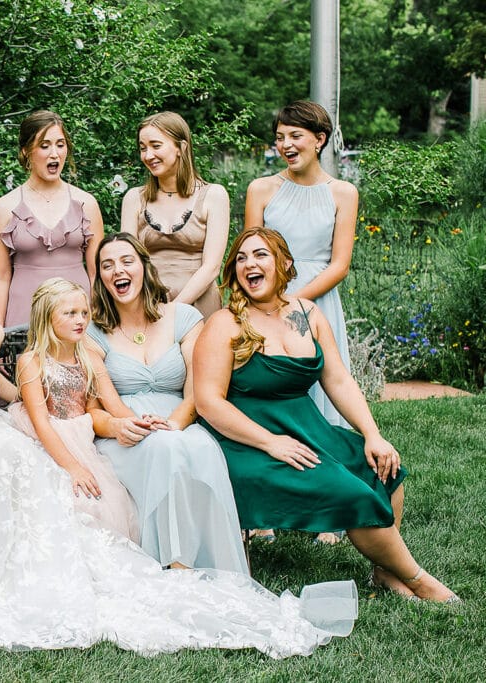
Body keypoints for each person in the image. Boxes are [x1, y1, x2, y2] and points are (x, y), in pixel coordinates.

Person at [0, 261, 356, 658]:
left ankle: (176, 561)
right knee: (25, 477)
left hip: (43, 435)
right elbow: (34, 414)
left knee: (74, 495)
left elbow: (89, 403)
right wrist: (66, 462)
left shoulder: (1, 341)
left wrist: (133, 422)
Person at [194, 227, 460, 603]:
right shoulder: (226, 322)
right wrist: (271, 443)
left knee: (387, 469)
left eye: (260, 255)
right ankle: (417, 578)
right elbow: (208, 402)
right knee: (350, 493)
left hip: (306, 427)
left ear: (285, 264)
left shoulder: (308, 312)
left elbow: (337, 378)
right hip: (246, 438)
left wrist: (372, 433)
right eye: (241, 258)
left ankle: (385, 571)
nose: (249, 264)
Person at [87, 233, 249, 573]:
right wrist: (130, 424)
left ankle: (217, 564)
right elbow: (101, 402)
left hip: (181, 419)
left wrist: (176, 422)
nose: (118, 269)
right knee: (166, 449)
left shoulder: (184, 317)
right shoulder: (92, 331)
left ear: (145, 267)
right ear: (100, 277)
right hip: (127, 433)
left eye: (126, 261)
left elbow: (197, 389)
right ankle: (178, 567)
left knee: (201, 448)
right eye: (107, 265)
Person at [244, 101, 357, 429]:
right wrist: (268, 302)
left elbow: (340, 265)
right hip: (265, 294)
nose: (286, 146)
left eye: (295, 136)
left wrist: (297, 303)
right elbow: (249, 252)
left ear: (319, 139)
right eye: (280, 138)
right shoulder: (261, 189)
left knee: (323, 378)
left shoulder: (343, 193)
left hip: (317, 298)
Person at [7, 277, 137, 538]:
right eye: (70, 314)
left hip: (82, 438)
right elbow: (41, 422)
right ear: (47, 317)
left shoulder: (89, 357)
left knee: (108, 499)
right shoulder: (32, 361)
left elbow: (107, 406)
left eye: (84, 313)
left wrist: (136, 422)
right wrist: (73, 467)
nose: (81, 320)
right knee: (70, 500)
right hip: (46, 442)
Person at [0, 111, 103, 326]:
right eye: (45, 145)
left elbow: (97, 273)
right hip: (25, 313)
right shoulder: (4, 208)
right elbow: (0, 276)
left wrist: (99, 322)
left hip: (79, 315)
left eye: (60, 144)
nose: (54, 154)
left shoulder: (86, 203)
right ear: (26, 151)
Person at [120, 111, 229, 319]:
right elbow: (127, 260)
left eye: (156, 145)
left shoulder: (213, 195)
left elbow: (212, 266)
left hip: (199, 305)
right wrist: (151, 308)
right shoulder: (134, 198)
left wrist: (174, 310)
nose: (148, 155)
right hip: (149, 304)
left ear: (181, 147)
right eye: (143, 148)